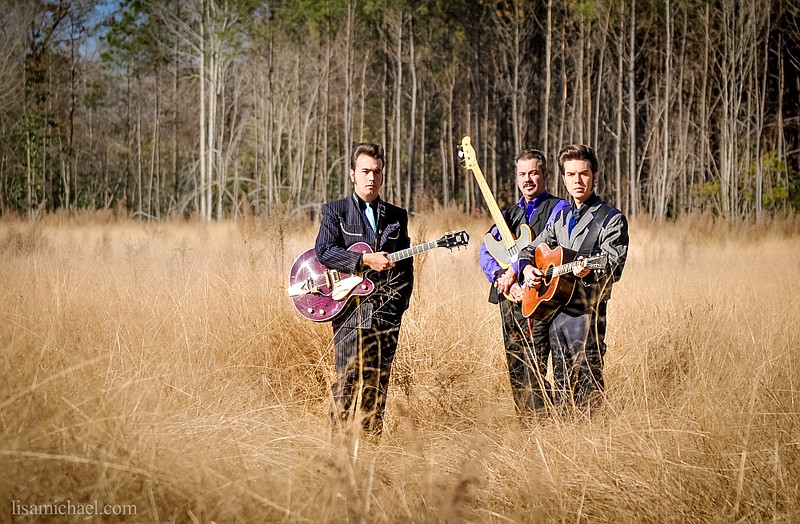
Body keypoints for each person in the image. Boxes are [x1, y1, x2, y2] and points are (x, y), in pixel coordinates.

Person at [519, 144, 628, 417]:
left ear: (595, 175)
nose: (577, 181)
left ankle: (592, 445)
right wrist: (526, 269)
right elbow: (531, 249)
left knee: (587, 381)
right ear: (563, 178)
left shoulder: (610, 219)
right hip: (557, 311)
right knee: (562, 381)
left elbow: (614, 266)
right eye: (570, 174)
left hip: (588, 312)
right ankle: (564, 441)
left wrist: (589, 270)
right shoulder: (562, 217)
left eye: (583, 174)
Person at [314, 142, 414, 436]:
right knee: (346, 380)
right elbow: (324, 251)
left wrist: (399, 307)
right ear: (352, 175)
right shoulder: (336, 211)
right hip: (348, 311)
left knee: (377, 384)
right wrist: (363, 259)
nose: (372, 177)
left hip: (386, 312)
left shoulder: (397, 216)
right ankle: (339, 452)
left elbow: (406, 267)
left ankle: (371, 453)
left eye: (377, 171)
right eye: (365, 171)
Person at [479, 149, 569, 417]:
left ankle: (544, 425)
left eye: (533, 173)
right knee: (516, 363)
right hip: (509, 298)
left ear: (545, 175)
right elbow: (486, 250)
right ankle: (526, 427)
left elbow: (545, 244)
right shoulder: (507, 214)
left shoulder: (558, 209)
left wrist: (515, 271)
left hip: (540, 297)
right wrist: (500, 277)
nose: (527, 179)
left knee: (537, 362)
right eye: (522, 174)